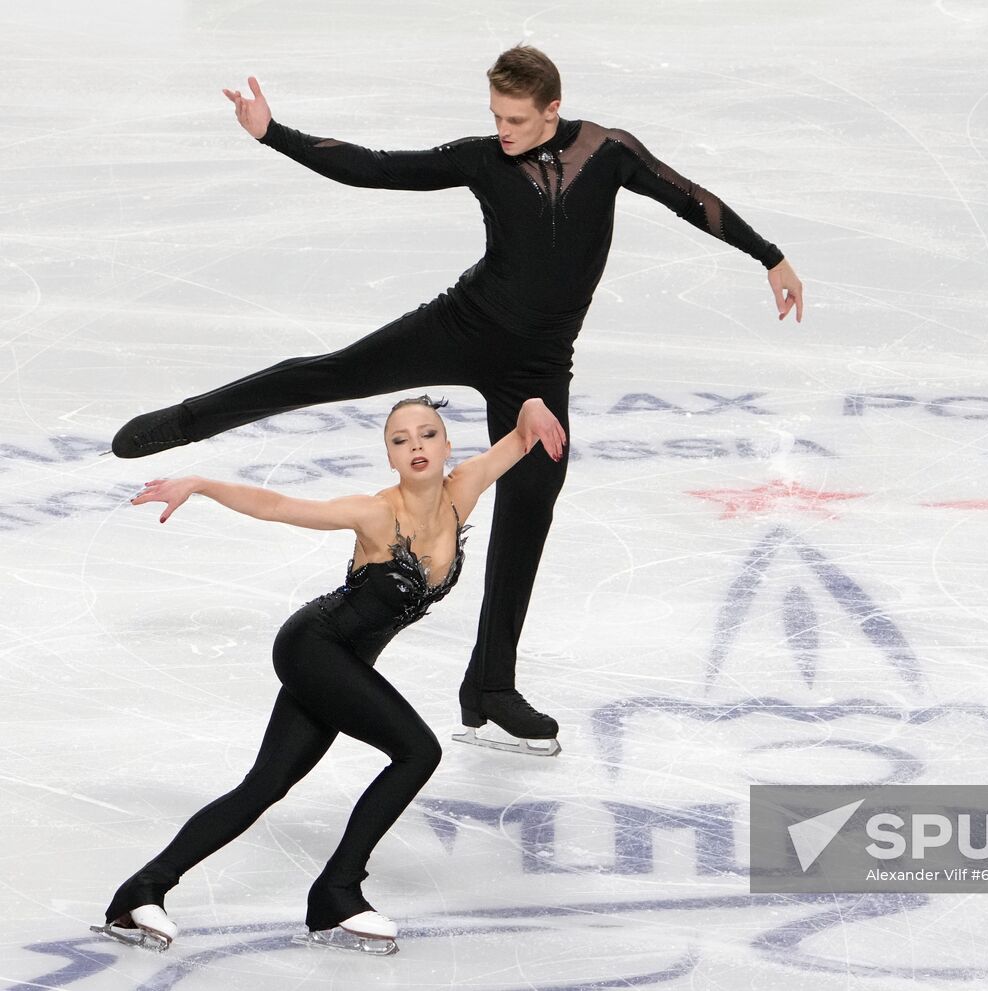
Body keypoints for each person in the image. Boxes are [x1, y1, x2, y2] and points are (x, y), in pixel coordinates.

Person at [109, 45, 803, 754]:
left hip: (537, 368)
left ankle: (490, 688)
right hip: (463, 326)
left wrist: (769, 254)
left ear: (552, 109)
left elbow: (693, 199)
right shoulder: (482, 159)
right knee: (333, 371)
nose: (503, 130)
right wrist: (272, 133)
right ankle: (188, 422)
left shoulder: (608, 151)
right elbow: (378, 169)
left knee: (532, 502)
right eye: (496, 116)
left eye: (516, 118)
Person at [92, 396, 568, 956]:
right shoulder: (376, 513)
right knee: (418, 751)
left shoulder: (463, 490)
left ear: (446, 445)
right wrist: (200, 483)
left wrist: (534, 403)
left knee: (265, 785)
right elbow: (277, 506)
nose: (415, 445)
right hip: (313, 647)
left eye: (427, 434)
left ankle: (141, 890)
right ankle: (337, 892)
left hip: (342, 663)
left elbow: (518, 439)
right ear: (390, 457)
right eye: (400, 439)